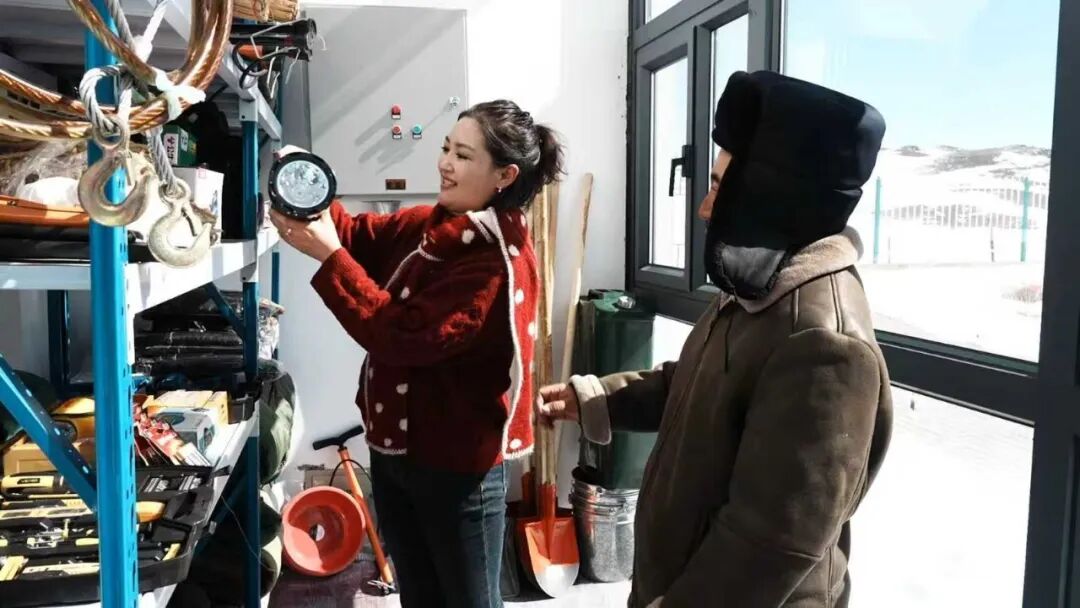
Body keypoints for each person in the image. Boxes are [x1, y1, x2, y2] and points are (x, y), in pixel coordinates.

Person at [538, 71, 894, 607]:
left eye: (722, 185)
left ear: (775, 195)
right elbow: (696, 387)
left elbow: (772, 540)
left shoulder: (824, 343)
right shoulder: (760, 292)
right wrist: (597, 398)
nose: (706, 207)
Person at [271, 99, 564, 607]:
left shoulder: (494, 262)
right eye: (446, 148)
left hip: (458, 474)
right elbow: (357, 234)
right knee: (421, 597)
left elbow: (402, 336)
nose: (445, 163)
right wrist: (306, 184)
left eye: (463, 156)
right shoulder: (433, 224)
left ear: (504, 175)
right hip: (397, 456)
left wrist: (328, 255)